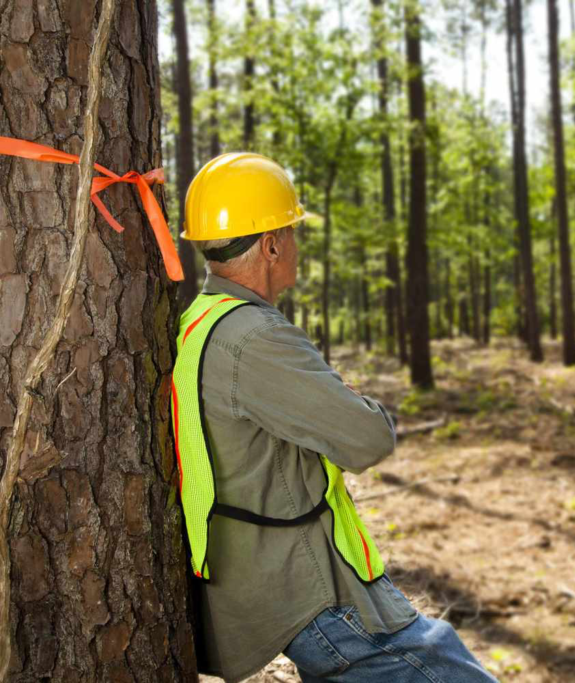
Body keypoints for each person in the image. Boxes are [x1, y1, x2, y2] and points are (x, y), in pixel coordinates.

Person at [172, 152, 497, 683]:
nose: (297, 244)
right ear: (271, 244)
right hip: (314, 593)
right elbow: (367, 437)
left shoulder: (202, 320)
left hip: (278, 578)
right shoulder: (255, 339)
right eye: (292, 231)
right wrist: (353, 400)